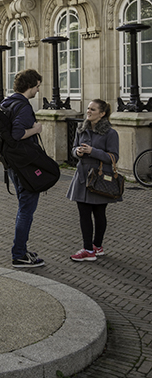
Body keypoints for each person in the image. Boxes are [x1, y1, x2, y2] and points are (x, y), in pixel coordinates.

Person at [1, 69, 45, 268]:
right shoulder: (24, 107)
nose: (38, 90)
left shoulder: (7, 103)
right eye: (37, 86)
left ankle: (20, 250)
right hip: (24, 165)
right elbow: (17, 133)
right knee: (26, 209)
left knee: (23, 207)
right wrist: (35, 130)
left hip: (12, 164)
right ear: (30, 86)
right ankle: (19, 254)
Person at [67, 99, 120, 261]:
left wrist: (93, 151)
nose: (88, 111)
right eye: (88, 108)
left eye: (93, 109)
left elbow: (114, 157)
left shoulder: (110, 133)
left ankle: (97, 246)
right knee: (84, 212)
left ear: (102, 114)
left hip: (99, 178)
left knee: (99, 213)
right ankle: (88, 249)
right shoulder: (81, 128)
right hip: (82, 176)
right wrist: (78, 152)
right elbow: (74, 149)